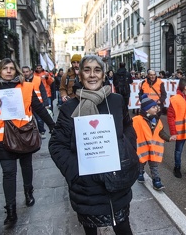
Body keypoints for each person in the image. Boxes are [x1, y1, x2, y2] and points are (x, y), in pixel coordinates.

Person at [49, 55, 138, 235]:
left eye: (97, 70)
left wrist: (125, 148)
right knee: (91, 231)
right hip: (87, 189)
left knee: (123, 228)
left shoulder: (116, 101)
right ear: (80, 75)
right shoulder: (69, 108)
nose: (92, 75)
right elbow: (57, 144)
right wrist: (77, 172)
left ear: (104, 75)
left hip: (117, 182)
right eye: (87, 70)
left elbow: (128, 125)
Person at [0, 58, 55, 225]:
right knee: (9, 173)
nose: (8, 71)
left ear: (16, 71)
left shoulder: (26, 87)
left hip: (25, 134)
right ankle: (10, 211)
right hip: (2, 138)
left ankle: (28, 192)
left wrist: (53, 126)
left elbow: (38, 108)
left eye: (12, 68)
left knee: (26, 166)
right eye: (5, 68)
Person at [133, 94, 176, 190]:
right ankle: (140, 173)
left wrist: (168, 138)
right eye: (153, 107)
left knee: (154, 166)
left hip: (153, 149)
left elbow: (161, 132)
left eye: (156, 106)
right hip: (143, 149)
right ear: (146, 109)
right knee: (141, 163)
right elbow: (131, 132)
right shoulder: (137, 120)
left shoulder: (157, 121)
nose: (156, 108)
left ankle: (156, 180)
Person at [22, 66, 50, 139]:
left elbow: (43, 91)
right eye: (23, 72)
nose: (25, 73)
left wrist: (46, 103)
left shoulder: (37, 79)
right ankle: (29, 134)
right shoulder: (20, 81)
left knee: (39, 119)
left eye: (27, 71)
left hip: (37, 103)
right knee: (28, 120)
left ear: (30, 71)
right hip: (26, 104)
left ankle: (42, 131)